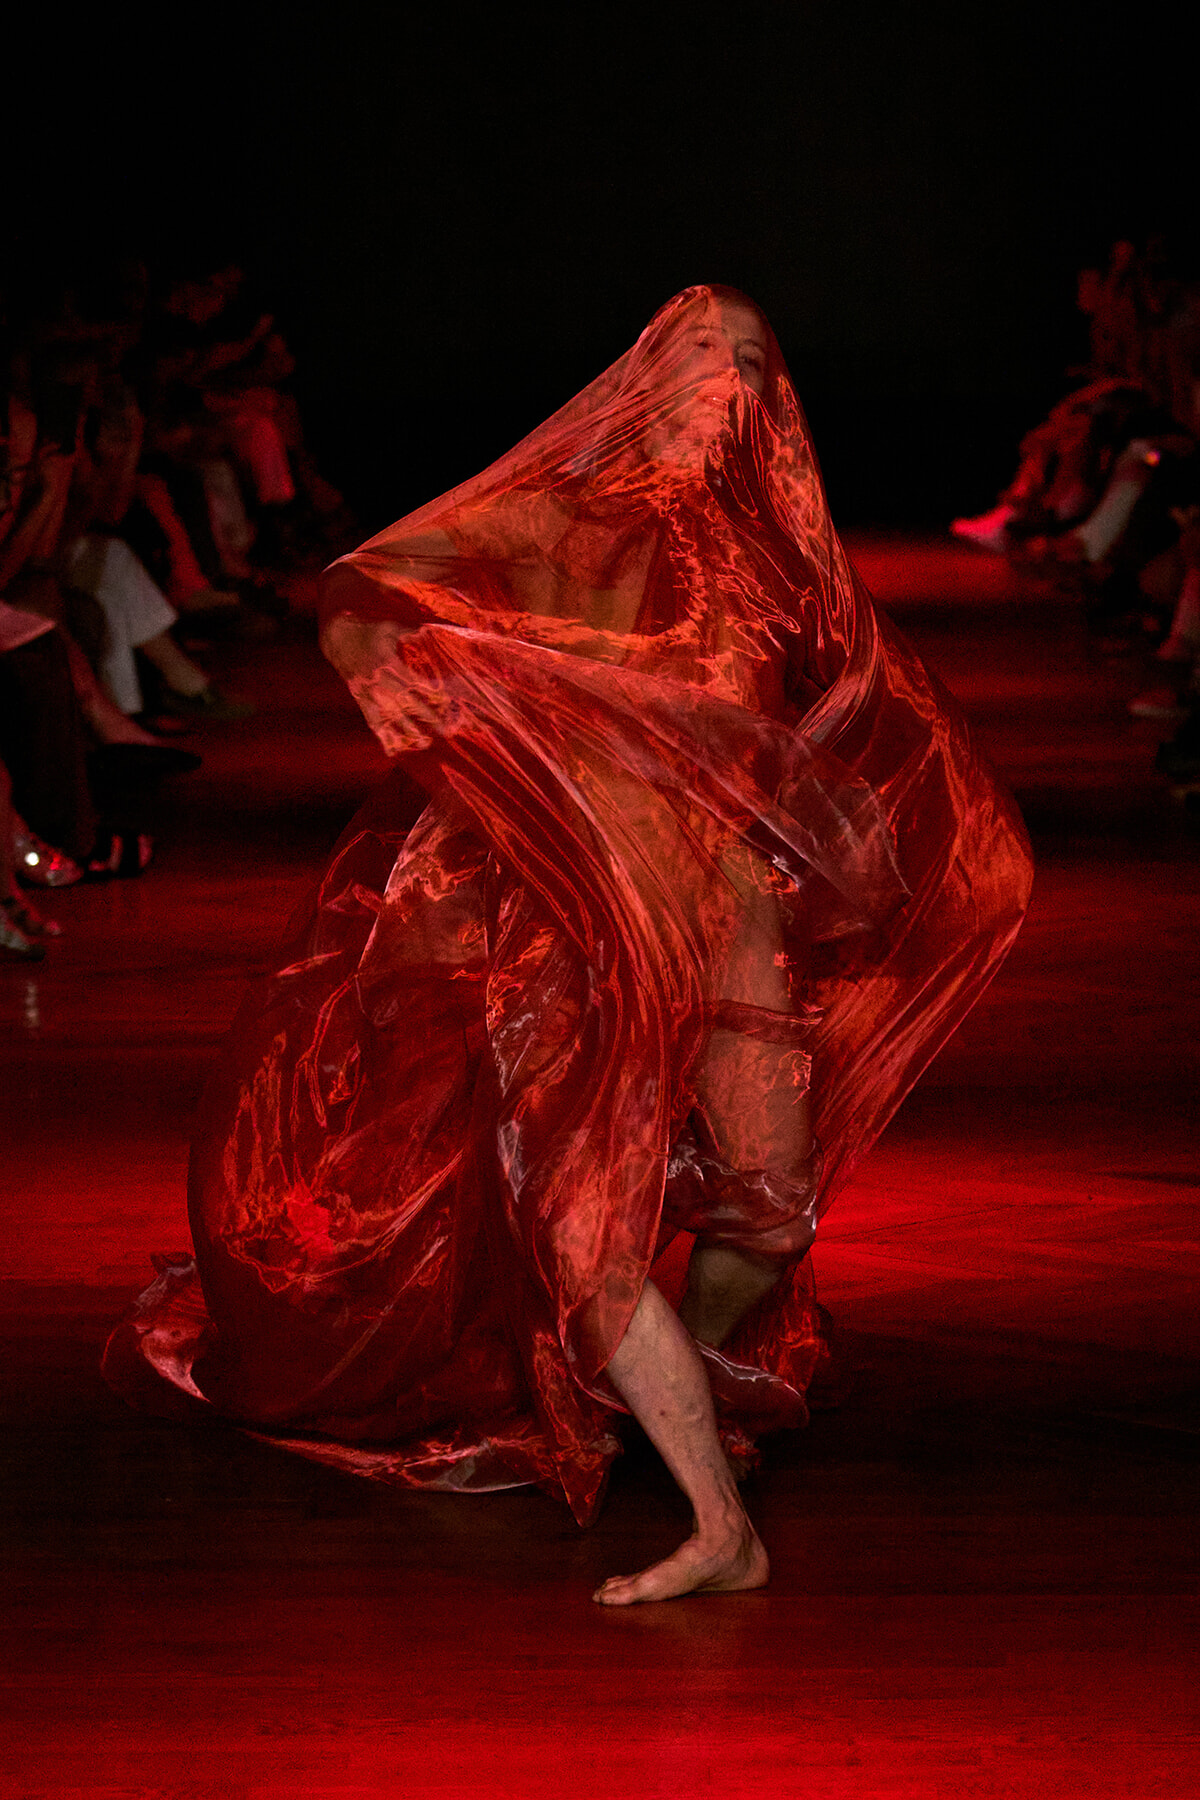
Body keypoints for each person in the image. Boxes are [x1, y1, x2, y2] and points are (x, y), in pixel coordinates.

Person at [104, 287, 1032, 1603]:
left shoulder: (774, 549)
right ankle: (717, 1519)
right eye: (708, 366)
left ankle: (650, 1406)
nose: (731, 394)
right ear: (649, 383)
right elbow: (372, 603)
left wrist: (840, 859)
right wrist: (517, 757)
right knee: (589, 1225)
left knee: (766, 1208)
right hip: (584, 918)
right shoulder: (560, 519)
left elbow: (824, 726)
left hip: (729, 924)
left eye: (754, 370)